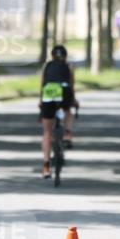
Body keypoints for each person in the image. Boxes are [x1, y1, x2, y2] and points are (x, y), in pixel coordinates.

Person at [39, 44, 76, 178]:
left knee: (47, 132)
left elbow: (42, 84)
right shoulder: (69, 66)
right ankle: (67, 133)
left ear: (52, 56)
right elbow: (71, 85)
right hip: (64, 91)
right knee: (68, 111)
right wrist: (74, 100)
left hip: (48, 93)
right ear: (65, 56)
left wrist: (41, 101)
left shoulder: (46, 66)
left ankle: (46, 165)